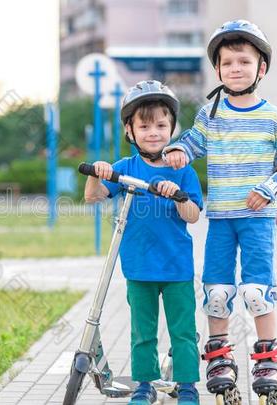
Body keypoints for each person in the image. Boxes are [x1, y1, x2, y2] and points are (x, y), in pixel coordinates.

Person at [163, 20, 277, 400]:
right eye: (227, 63)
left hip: (258, 218)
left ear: (261, 68)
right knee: (218, 291)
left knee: (258, 290)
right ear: (218, 69)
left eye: (243, 61)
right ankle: (220, 355)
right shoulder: (211, 113)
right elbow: (192, 143)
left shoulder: (273, 116)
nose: (235, 69)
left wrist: (270, 186)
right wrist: (177, 151)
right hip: (221, 219)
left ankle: (268, 357)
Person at [84, 80, 203, 405]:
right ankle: (145, 384)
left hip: (177, 267)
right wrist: (98, 172)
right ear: (129, 130)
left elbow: (193, 215)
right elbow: (93, 197)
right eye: (145, 125)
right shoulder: (126, 168)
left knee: (182, 332)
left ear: (172, 128)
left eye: (161, 125)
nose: (154, 132)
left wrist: (176, 195)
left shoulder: (184, 171)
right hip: (138, 267)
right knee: (142, 333)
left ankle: (188, 386)